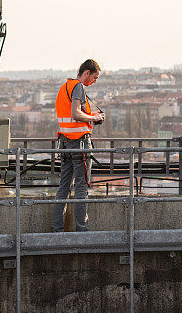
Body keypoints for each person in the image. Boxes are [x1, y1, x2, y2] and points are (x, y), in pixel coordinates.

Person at [51, 59, 105, 232]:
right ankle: (82, 230)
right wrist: (95, 118)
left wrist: (90, 115)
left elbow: (72, 114)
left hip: (65, 142)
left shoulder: (65, 87)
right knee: (82, 186)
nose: (94, 82)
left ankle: (56, 230)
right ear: (86, 73)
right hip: (79, 142)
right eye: (94, 77)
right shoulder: (79, 87)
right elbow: (75, 114)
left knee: (64, 186)